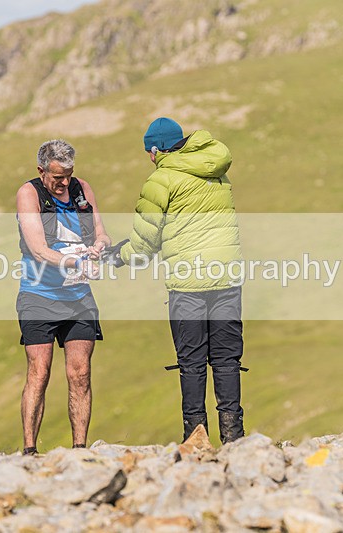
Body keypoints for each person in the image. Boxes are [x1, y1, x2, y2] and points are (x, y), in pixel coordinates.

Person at [104, 117, 245, 444]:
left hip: (188, 284)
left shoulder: (161, 180)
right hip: (226, 278)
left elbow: (145, 243)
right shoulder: (217, 170)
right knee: (226, 359)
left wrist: (118, 256)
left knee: (192, 362)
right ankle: (234, 439)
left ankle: (196, 440)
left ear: (155, 150)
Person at [16, 139, 111, 455]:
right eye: (58, 177)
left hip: (79, 296)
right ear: (41, 171)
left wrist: (99, 249)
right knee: (39, 372)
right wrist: (75, 261)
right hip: (39, 295)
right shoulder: (29, 194)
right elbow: (38, 249)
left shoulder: (83, 189)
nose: (65, 183)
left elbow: (101, 231)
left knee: (80, 372)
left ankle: (80, 448)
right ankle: (30, 449)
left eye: (69, 175)